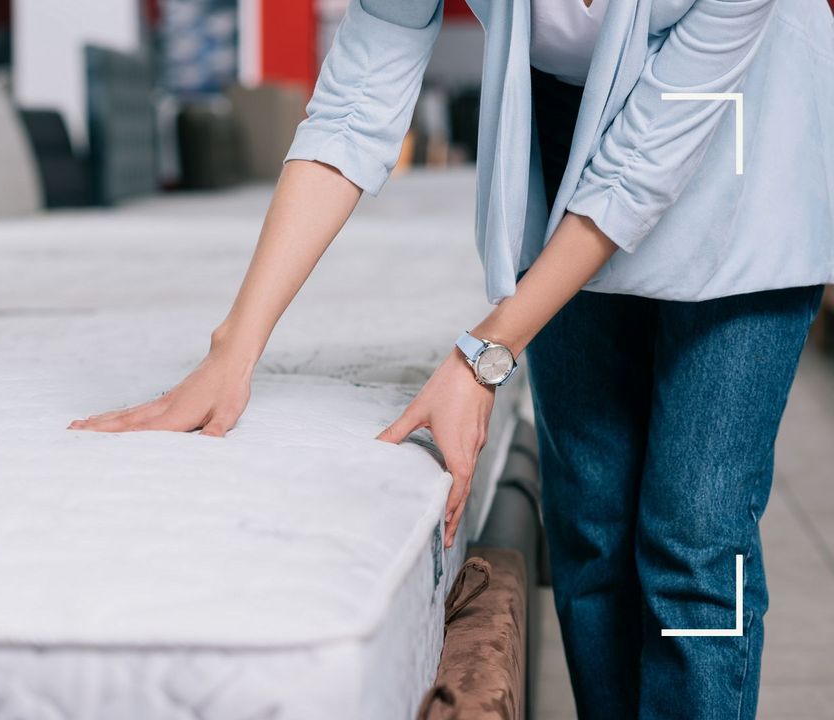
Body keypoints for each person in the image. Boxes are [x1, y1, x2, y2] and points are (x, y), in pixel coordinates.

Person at [71, 0, 834, 717]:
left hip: (745, 133)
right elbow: (354, 103)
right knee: (592, 522)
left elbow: (643, 164)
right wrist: (234, 345)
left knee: (695, 537)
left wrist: (484, 356)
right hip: (571, 135)